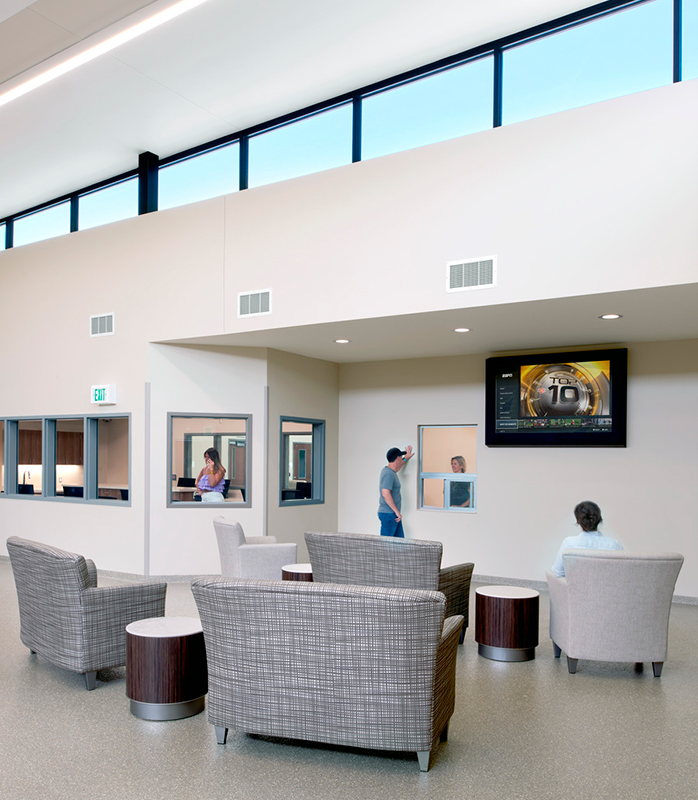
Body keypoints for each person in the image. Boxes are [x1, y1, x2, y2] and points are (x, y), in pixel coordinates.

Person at [551, 501, 623, 577]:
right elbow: (624, 571)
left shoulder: (569, 543)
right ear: (599, 519)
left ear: (578, 521)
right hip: (609, 588)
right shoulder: (614, 545)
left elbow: (558, 572)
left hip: (576, 588)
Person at [378, 445, 414, 537]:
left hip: (393, 515)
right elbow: (385, 493)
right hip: (389, 514)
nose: (401, 459)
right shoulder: (388, 474)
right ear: (397, 458)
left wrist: (406, 459)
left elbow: (397, 467)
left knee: (399, 544)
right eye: (401, 457)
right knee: (387, 546)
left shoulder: (390, 471)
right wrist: (397, 512)